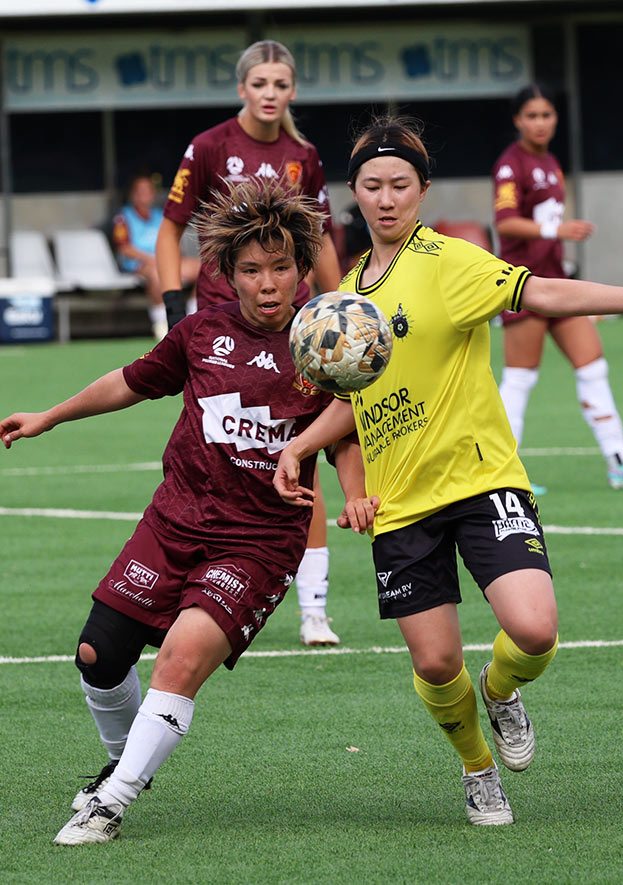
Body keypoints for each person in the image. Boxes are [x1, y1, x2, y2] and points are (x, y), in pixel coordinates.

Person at [272, 116, 623, 827]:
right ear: (352, 193)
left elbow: (539, 293)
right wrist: (300, 447)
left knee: (535, 629)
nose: (387, 199)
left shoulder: (452, 260)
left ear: (422, 190)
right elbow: (356, 402)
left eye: (401, 185)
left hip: (482, 479)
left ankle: (503, 687)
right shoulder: (348, 297)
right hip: (404, 503)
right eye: (373, 186)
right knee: (436, 662)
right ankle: (479, 770)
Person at [0, 180, 371, 846]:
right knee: (97, 655)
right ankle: (125, 760)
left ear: (302, 269)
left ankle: (110, 801)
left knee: (178, 656)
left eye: (281, 267)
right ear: (226, 275)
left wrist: (355, 492)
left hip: (256, 543)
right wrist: (50, 416)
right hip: (174, 521)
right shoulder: (201, 331)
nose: (267, 283)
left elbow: (344, 429)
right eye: (251, 270)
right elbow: (131, 379)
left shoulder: (321, 339)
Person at [156, 39, 343, 646]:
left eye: (281, 85)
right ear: (242, 89)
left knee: (299, 458)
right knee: (219, 461)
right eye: (259, 83)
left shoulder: (304, 155)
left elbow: (322, 238)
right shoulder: (210, 147)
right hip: (220, 327)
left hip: (292, 328)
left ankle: (313, 607)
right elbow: (171, 231)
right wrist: (172, 309)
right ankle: (192, 584)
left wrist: (341, 309)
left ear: (292, 91)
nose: (270, 94)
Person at [494, 84, 623, 492]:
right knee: (520, 380)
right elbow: (505, 221)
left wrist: (556, 238)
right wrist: (555, 229)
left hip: (558, 283)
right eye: (532, 115)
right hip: (524, 286)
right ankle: (502, 475)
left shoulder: (552, 162)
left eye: (547, 115)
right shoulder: (511, 164)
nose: (540, 123)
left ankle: (620, 461)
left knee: (593, 365)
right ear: (517, 120)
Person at [112, 174, 200, 340]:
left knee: (202, 269)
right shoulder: (123, 217)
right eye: (140, 192)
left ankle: (192, 317)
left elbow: (174, 241)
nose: (144, 196)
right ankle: (161, 324)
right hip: (140, 264)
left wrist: (171, 258)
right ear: (133, 195)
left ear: (153, 194)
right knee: (156, 273)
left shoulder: (162, 216)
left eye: (147, 192)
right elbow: (125, 248)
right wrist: (154, 259)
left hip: (166, 260)